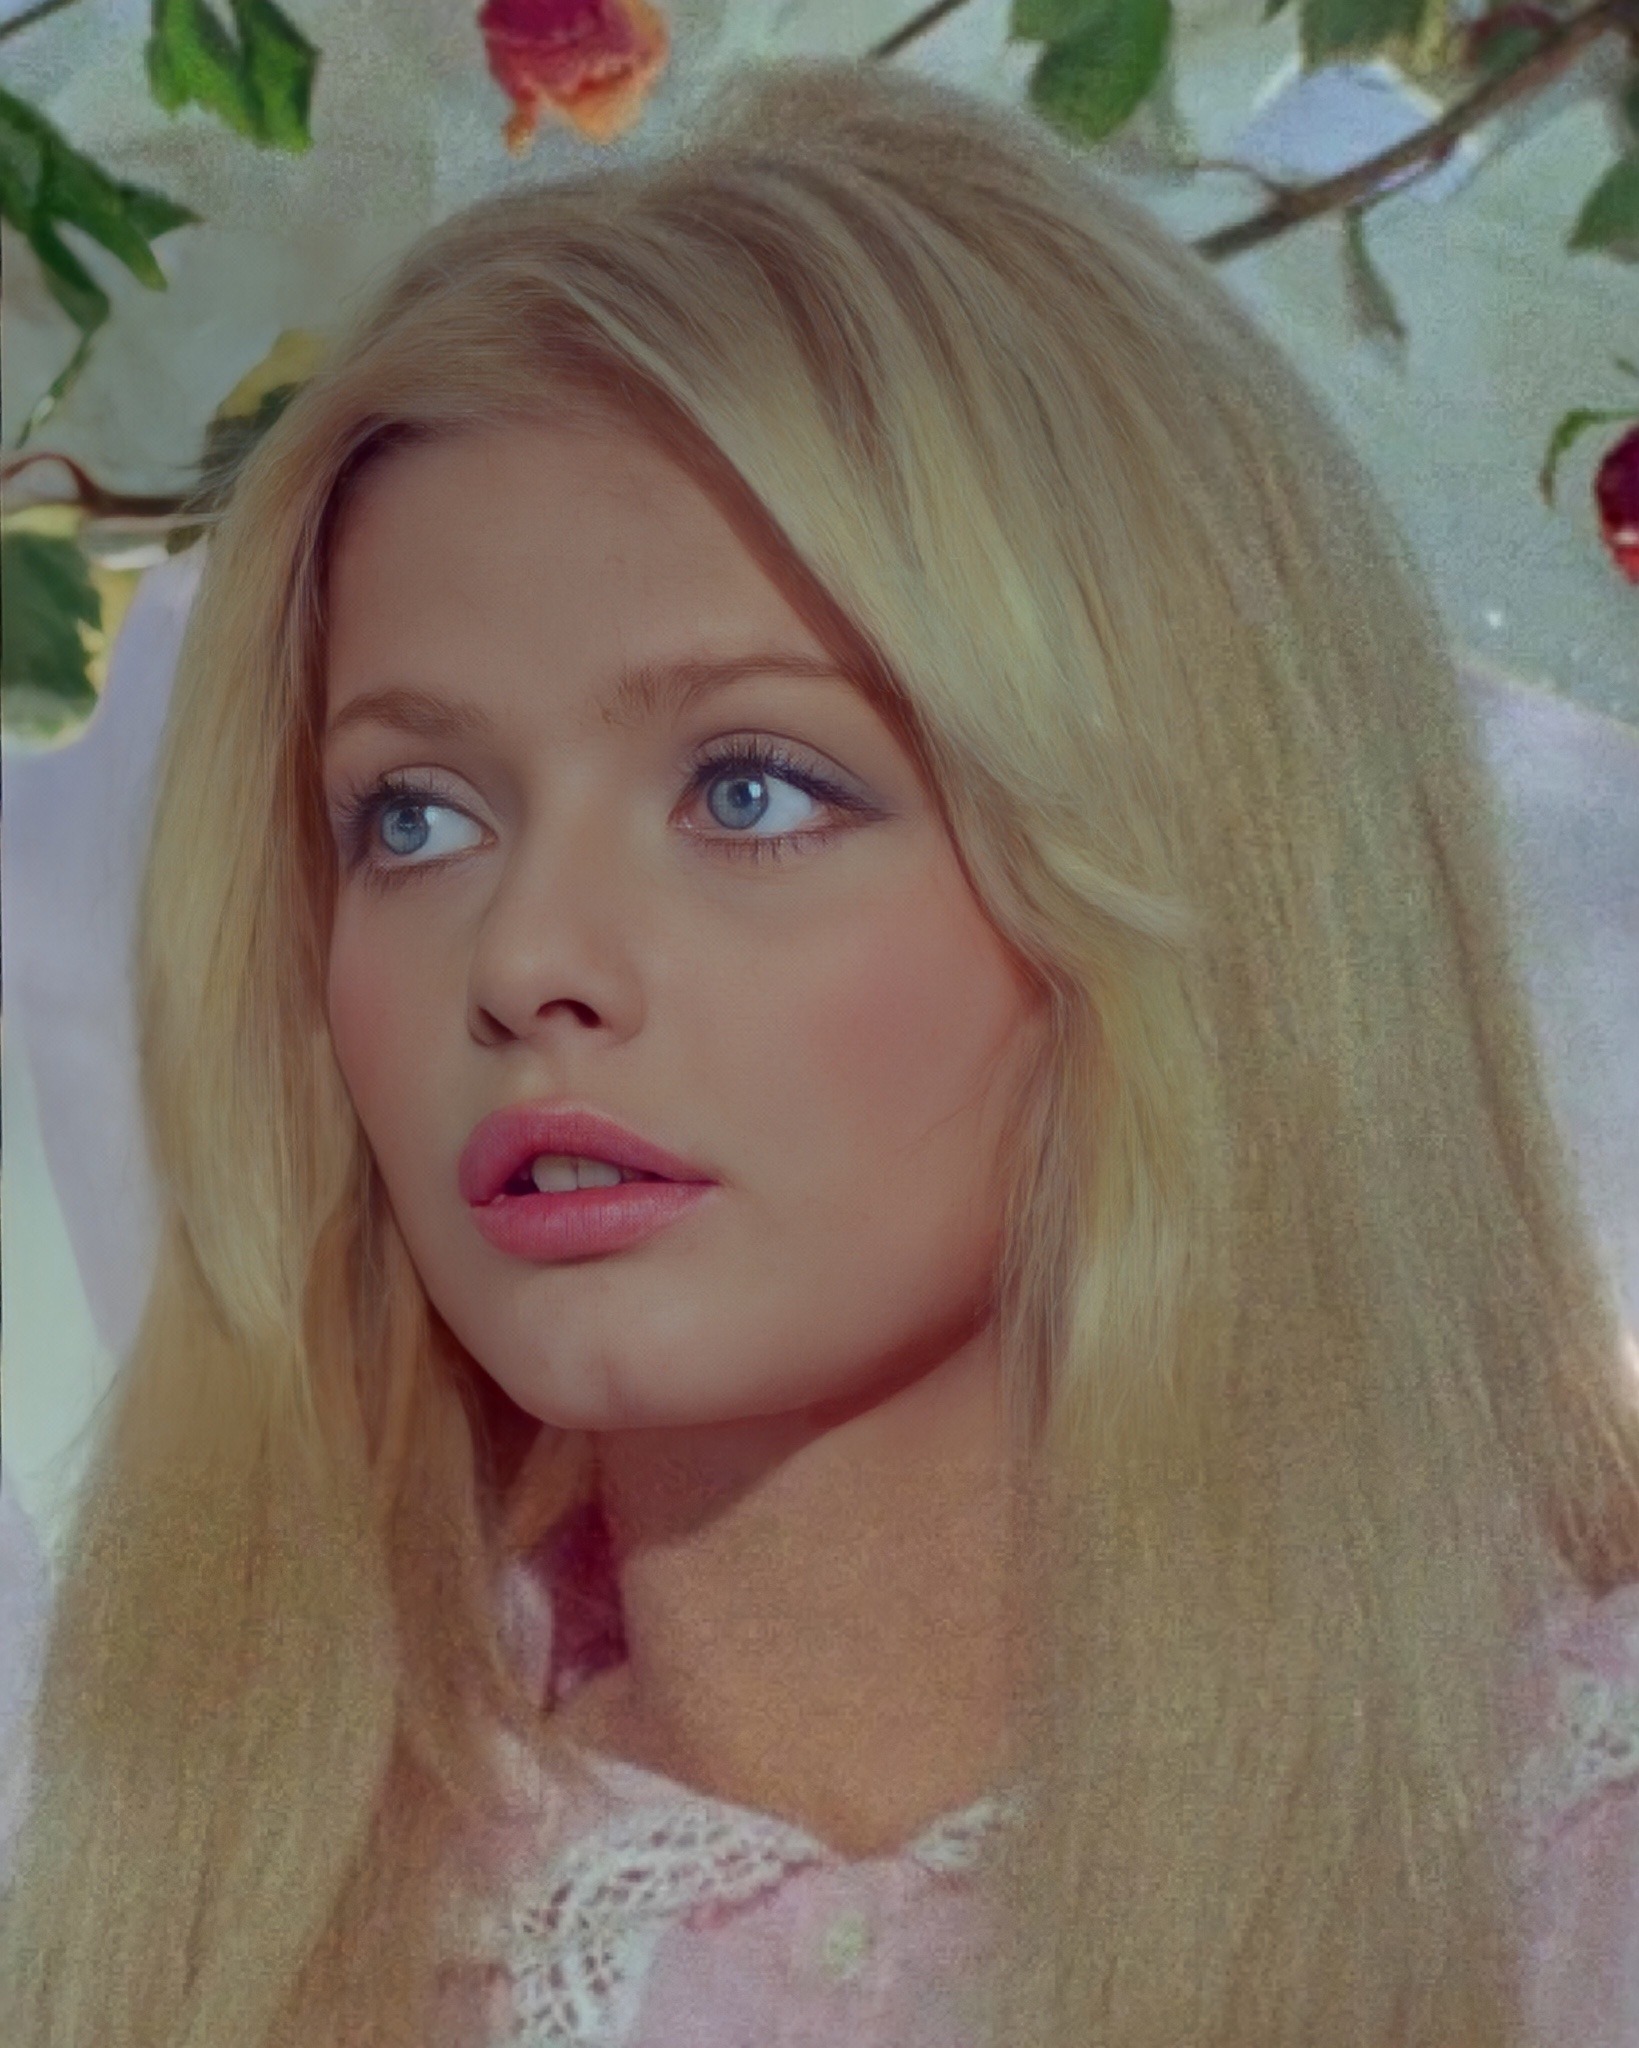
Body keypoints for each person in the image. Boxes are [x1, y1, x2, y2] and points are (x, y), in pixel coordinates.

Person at [2, 53, 1636, 2048]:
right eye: (412, 816)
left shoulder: (1565, 1880)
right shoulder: (190, 1927)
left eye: (751, 788)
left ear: (1184, 859)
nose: (524, 956)